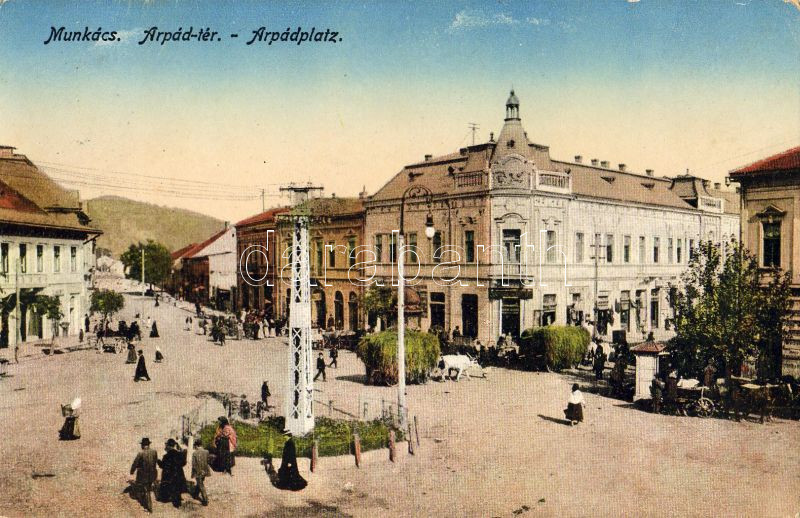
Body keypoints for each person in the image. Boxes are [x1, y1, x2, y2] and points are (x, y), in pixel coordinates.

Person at [130, 437, 158, 513]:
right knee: (148, 488)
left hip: (143, 475)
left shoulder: (141, 453)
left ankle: (149, 507)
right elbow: (155, 462)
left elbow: (135, 463)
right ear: (149, 444)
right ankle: (148, 503)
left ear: (142, 445)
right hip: (153, 474)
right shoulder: (154, 452)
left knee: (146, 490)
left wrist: (132, 471)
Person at [157, 438, 187, 508]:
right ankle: (178, 502)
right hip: (178, 474)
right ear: (174, 445)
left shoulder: (166, 456)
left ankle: (166, 498)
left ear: (168, 446)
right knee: (177, 487)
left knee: (168, 486)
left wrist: (158, 461)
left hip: (170, 475)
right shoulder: (179, 454)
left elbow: (163, 466)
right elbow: (184, 463)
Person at [191, 437, 210, 506]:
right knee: (200, 482)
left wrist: (193, 472)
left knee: (201, 484)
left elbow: (193, 464)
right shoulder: (206, 452)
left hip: (198, 471)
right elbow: (208, 461)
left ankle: (205, 499)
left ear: (196, 446)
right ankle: (195, 494)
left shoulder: (194, 453)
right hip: (205, 471)